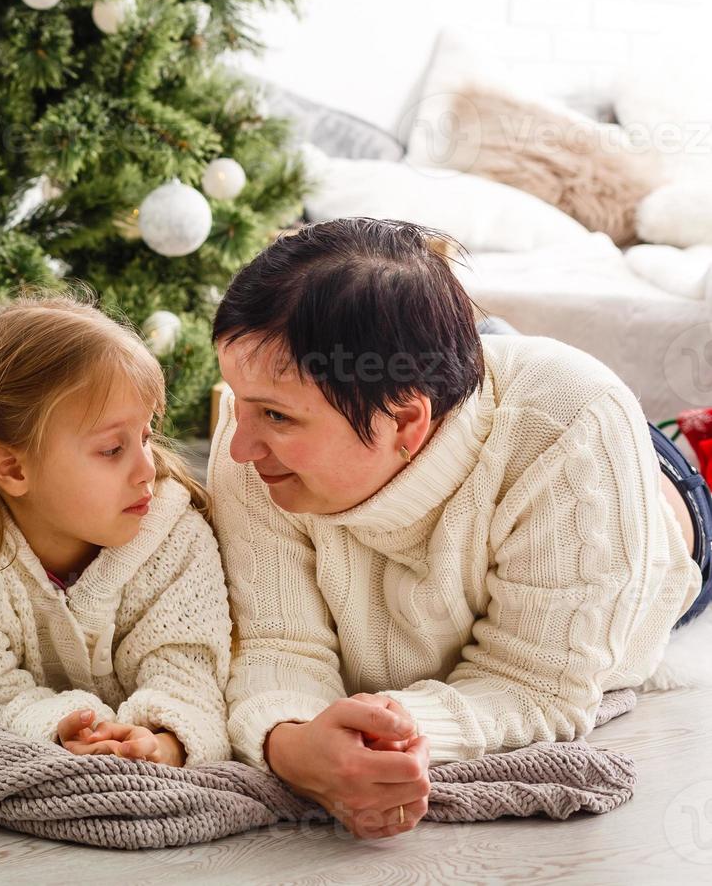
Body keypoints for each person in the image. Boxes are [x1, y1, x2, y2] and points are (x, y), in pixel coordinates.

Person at [208, 217, 707, 838]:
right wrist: (289, 741)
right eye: (238, 399)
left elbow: (535, 685)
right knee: (416, 343)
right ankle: (465, 341)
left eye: (277, 415)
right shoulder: (253, 434)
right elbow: (274, 643)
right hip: (428, 399)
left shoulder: (574, 428)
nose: (238, 448)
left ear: (405, 421)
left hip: (653, 495)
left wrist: (392, 729)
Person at [0, 294, 233, 767]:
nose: (147, 468)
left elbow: (190, 673)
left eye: (146, 436)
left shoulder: (176, 538)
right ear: (13, 468)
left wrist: (161, 739)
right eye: (111, 450)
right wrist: (62, 725)